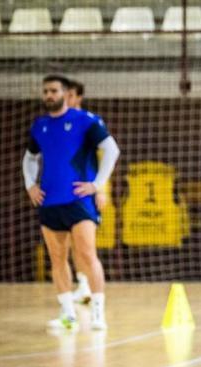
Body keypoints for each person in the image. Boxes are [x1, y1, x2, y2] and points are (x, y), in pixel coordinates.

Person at [23, 75, 120, 331]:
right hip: (49, 202)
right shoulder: (40, 125)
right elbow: (29, 158)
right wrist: (30, 185)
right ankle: (68, 314)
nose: (48, 95)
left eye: (53, 91)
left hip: (79, 201)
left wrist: (97, 185)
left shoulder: (85, 121)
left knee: (87, 255)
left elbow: (112, 150)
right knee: (57, 258)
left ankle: (99, 313)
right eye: (45, 91)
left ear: (66, 94)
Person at [64, 78, 108, 304]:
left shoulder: (90, 123)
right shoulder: (57, 124)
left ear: (79, 97)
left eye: (70, 95)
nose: (66, 99)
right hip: (64, 194)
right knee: (71, 243)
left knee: (86, 246)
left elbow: (105, 156)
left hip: (87, 191)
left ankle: (93, 288)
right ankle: (82, 285)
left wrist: (100, 188)